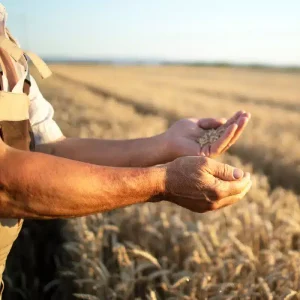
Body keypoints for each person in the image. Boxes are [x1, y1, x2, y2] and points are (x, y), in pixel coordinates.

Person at [0, 3, 252, 296]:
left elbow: (49, 150)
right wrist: (163, 183)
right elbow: (5, 181)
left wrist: (165, 144)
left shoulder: (7, 39)